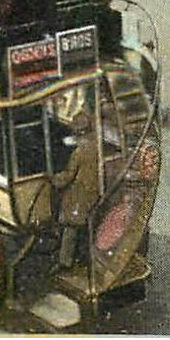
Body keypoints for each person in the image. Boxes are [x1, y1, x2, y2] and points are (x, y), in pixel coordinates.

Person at [50, 108, 101, 270]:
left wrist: (53, 179)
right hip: (94, 193)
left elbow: (68, 176)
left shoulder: (79, 153)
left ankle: (64, 262)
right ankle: (84, 258)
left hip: (79, 195)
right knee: (86, 227)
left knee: (70, 228)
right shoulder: (96, 146)